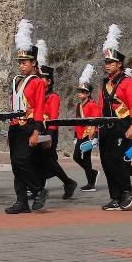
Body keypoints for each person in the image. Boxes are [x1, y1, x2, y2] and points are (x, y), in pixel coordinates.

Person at [4, 19, 47, 215]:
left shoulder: (38, 82)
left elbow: (39, 106)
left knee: (22, 160)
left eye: (25, 62)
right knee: (15, 164)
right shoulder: (16, 80)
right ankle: (21, 201)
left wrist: (37, 130)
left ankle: (39, 189)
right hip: (15, 126)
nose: (22, 66)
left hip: (29, 125)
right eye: (20, 62)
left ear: (34, 63)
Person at [97, 24, 132, 211]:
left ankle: (127, 191)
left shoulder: (127, 83)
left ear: (119, 64)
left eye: (111, 63)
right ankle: (115, 196)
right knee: (106, 162)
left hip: (122, 126)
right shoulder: (104, 83)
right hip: (105, 127)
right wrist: (94, 125)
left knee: (118, 160)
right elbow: (101, 105)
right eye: (106, 63)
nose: (107, 66)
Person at [34, 41, 78, 200]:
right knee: (43, 161)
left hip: (49, 131)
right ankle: (46, 187)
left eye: (43, 79)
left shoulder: (53, 97)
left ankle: (65, 183)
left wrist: (50, 136)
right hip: (40, 130)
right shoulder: (39, 96)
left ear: (49, 82)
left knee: (48, 161)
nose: (40, 81)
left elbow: (52, 118)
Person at [72, 63, 100, 192]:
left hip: (88, 134)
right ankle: (92, 173)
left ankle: (91, 183)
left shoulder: (92, 105)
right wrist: (74, 135)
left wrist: (94, 134)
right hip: (79, 134)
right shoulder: (78, 106)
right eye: (79, 91)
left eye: (83, 92)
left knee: (86, 158)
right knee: (76, 157)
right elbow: (77, 121)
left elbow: (95, 120)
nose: (80, 94)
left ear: (88, 94)